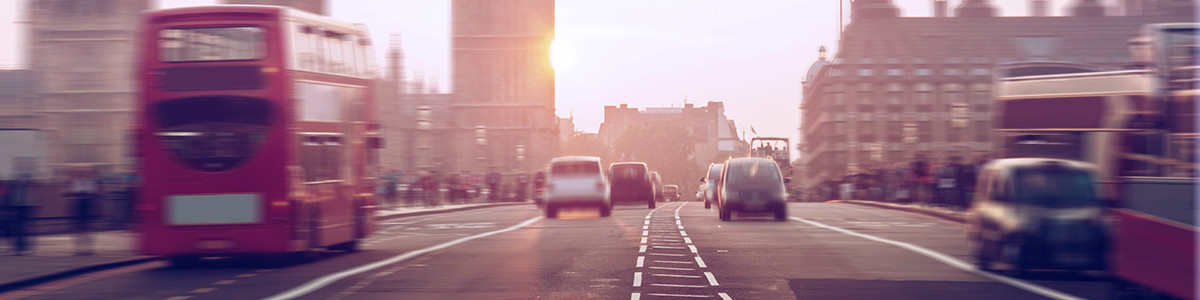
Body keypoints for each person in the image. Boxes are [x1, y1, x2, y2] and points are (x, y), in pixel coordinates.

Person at [67, 170, 99, 255]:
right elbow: (71, 191)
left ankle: (89, 248)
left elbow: (94, 191)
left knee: (87, 227)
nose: (83, 175)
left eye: (85, 174)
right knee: (78, 227)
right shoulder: (76, 183)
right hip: (79, 205)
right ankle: (77, 248)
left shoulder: (90, 183)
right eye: (81, 174)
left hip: (86, 205)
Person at [6, 173, 34, 255]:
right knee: (17, 225)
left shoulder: (26, 176)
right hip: (15, 204)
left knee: (20, 225)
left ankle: (21, 246)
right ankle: (19, 246)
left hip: (23, 205)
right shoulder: (12, 177)